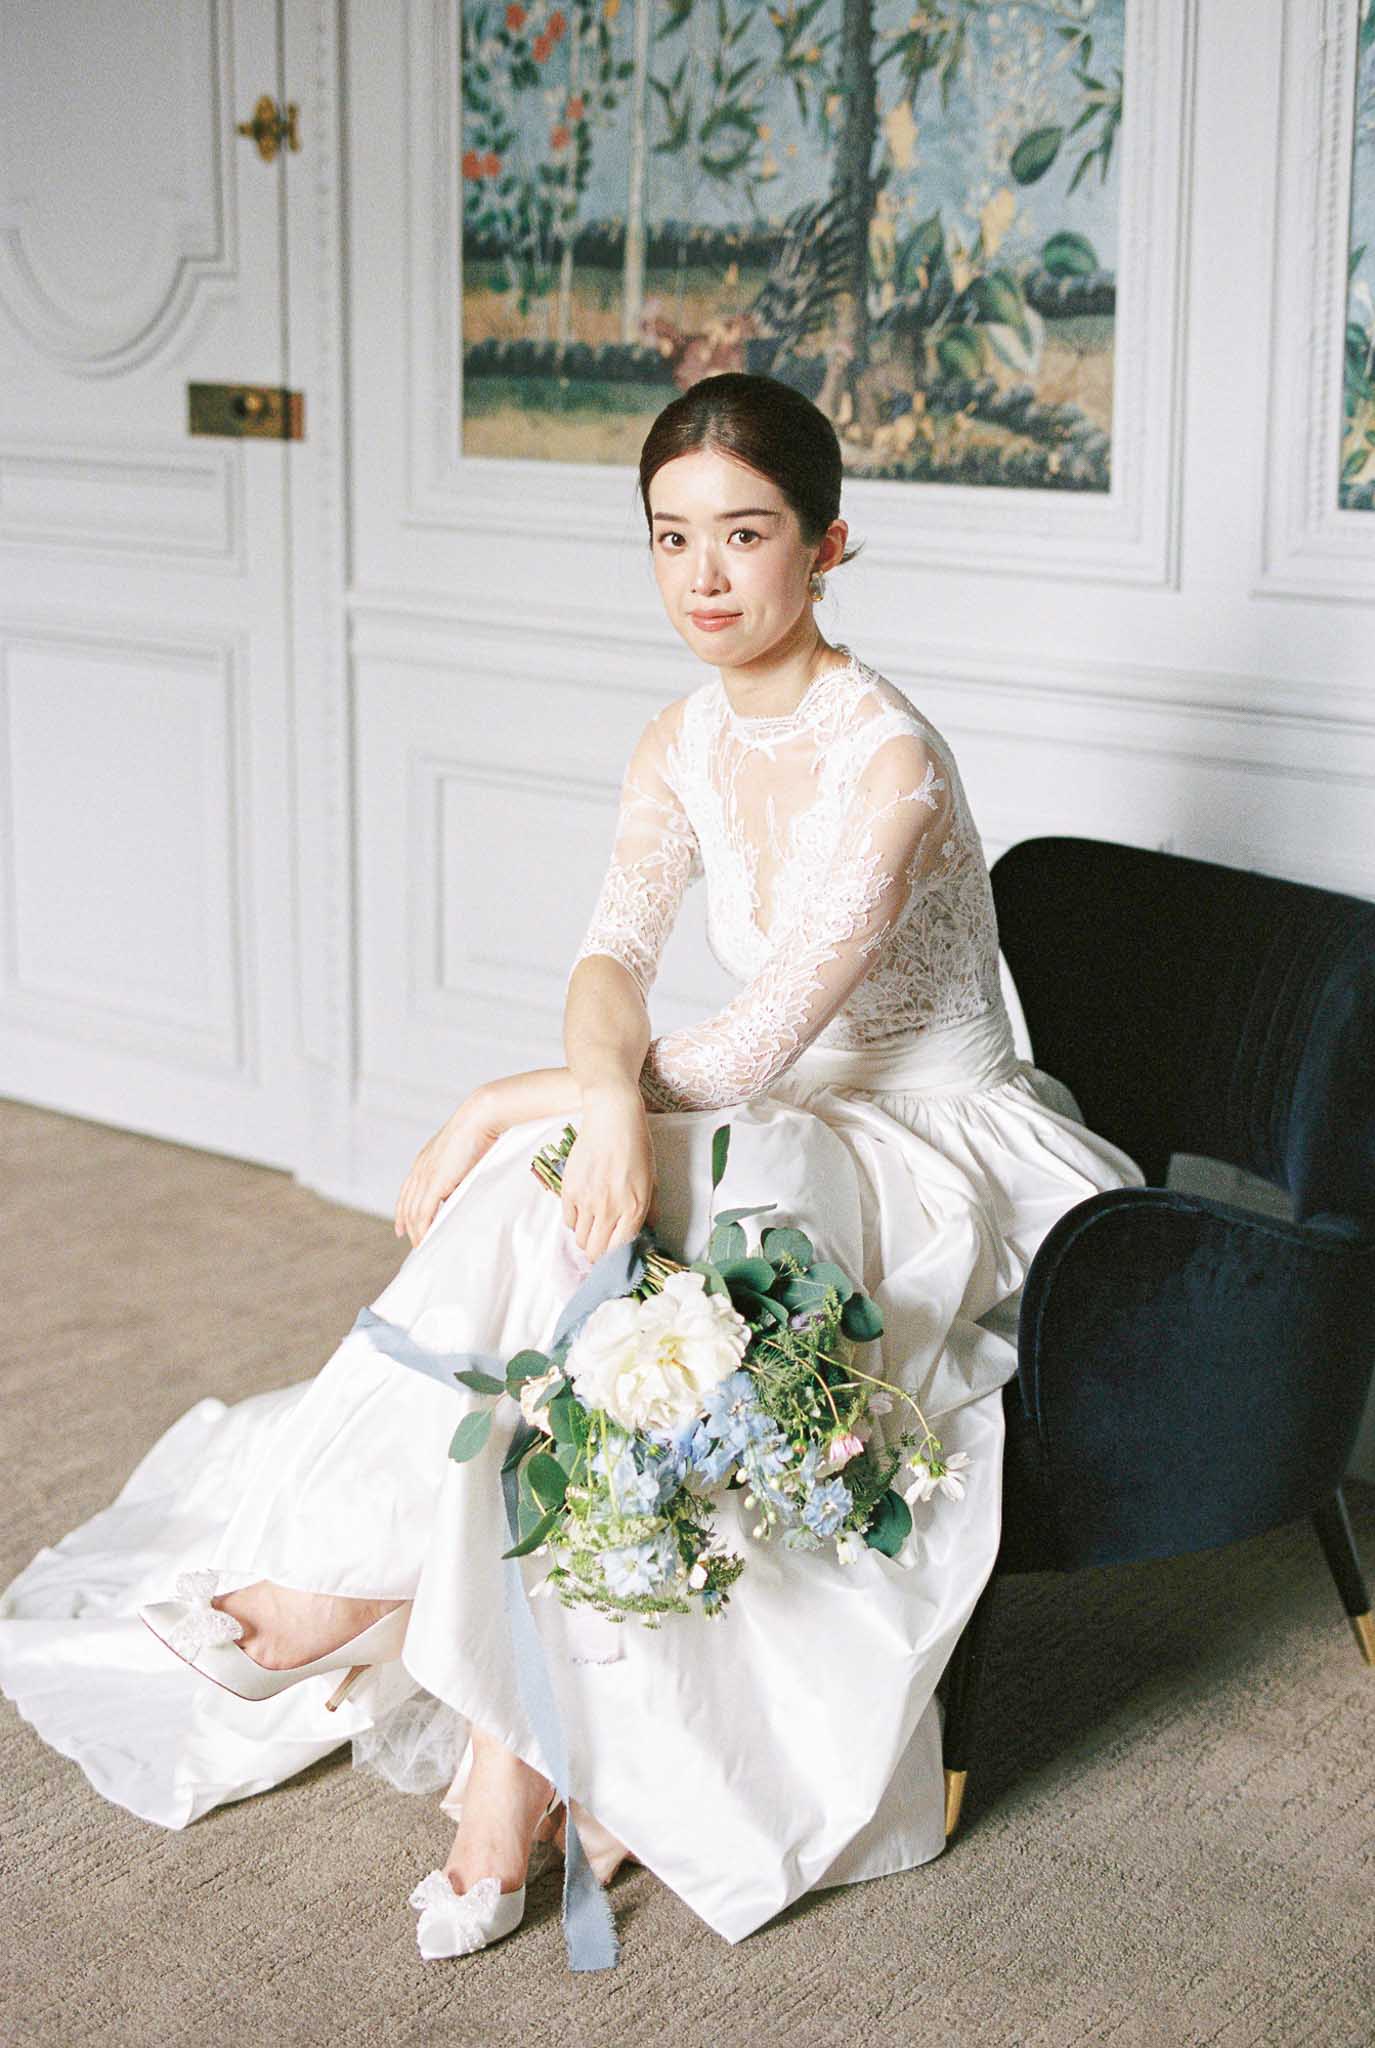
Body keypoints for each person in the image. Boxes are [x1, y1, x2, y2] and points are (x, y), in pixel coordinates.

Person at [0, 372, 1145, 1963]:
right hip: (781, 1115)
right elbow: (613, 961)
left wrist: (507, 1099)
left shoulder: (890, 768)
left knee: (606, 1245)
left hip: (937, 1142)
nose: (705, 578)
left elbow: (748, 1054)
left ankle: (465, 1717)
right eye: (671, 538)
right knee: (568, 1232)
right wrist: (593, 1095)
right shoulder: (680, 739)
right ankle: (458, 1692)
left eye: (746, 535)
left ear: (827, 546)